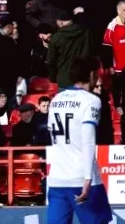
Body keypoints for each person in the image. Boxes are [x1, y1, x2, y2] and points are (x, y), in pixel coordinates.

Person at [43, 60, 108, 224]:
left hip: (58, 177)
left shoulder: (56, 99)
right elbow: (88, 139)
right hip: (82, 177)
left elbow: (52, 136)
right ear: (92, 75)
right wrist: (88, 177)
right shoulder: (91, 100)